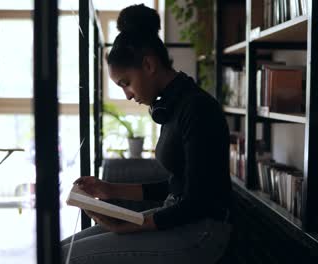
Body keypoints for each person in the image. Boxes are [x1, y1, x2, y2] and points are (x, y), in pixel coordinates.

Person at [61, 4, 233, 264]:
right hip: (179, 217)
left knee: (65, 257)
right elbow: (179, 185)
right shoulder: (172, 106)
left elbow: (199, 200)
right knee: (61, 249)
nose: (127, 94)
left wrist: (128, 226)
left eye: (126, 83)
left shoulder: (196, 109)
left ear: (149, 64)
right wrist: (109, 189)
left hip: (201, 231)